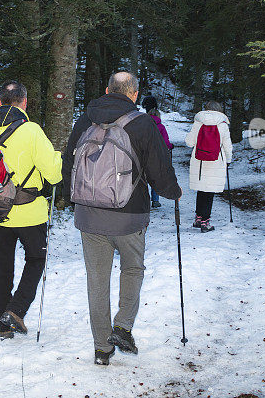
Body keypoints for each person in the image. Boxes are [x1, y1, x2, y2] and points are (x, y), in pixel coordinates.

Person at [62, 71, 182, 366]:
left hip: (89, 217)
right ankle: (123, 327)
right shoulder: (142, 124)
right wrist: (173, 192)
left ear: (106, 90)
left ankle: (102, 348)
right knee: (133, 269)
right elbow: (159, 172)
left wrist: (71, 200)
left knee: (97, 281)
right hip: (130, 215)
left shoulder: (84, 121)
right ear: (134, 95)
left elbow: (68, 164)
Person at [0, 81, 62, 340]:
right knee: (36, 259)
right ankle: (16, 311)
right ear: (24, 102)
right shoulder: (31, 130)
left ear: (0, 102)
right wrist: (58, 158)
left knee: (3, 265)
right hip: (29, 211)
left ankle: (3, 325)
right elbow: (53, 174)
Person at [184, 100, 232, 232]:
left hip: (199, 161)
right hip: (216, 161)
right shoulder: (223, 125)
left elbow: (189, 142)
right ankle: (206, 222)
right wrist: (228, 159)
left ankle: (198, 218)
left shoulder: (198, 123)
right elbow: (227, 146)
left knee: (201, 189)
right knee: (209, 191)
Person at [144, 103, 174, 208]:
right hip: (157, 156)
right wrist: (170, 146)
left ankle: (143, 199)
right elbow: (165, 142)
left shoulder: (143, 126)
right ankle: (155, 200)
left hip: (144, 154)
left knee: (143, 178)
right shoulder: (161, 127)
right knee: (155, 177)